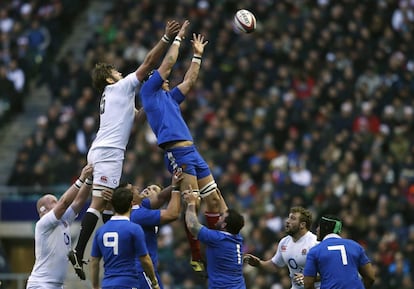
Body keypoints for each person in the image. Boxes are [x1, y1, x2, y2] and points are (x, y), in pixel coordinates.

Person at [68, 20, 181, 280]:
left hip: (103, 150)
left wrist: (155, 98)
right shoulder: (120, 87)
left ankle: (118, 254)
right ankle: (78, 249)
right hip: (109, 153)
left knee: (112, 207)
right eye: (116, 71)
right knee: (99, 203)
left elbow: (135, 119)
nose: (120, 72)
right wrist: (165, 38)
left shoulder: (114, 96)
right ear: (109, 77)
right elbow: (149, 63)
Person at [139, 21, 228, 273]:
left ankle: (217, 244)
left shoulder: (168, 97)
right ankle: (196, 254)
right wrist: (177, 38)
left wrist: (198, 55)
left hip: (192, 151)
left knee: (214, 198)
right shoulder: (149, 92)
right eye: (162, 77)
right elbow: (166, 65)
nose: (166, 77)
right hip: (177, 152)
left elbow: (188, 82)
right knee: (192, 202)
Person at [26, 164, 93, 289]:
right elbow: (64, 203)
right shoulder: (43, 224)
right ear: (43, 210)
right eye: (53, 202)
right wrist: (81, 178)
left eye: (57, 201)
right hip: (41, 284)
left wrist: (90, 180)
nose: (57, 204)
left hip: (57, 285)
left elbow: (78, 202)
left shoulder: (63, 220)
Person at [90, 184, 160, 289]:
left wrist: (95, 286)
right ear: (131, 204)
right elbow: (145, 259)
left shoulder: (101, 231)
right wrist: (154, 282)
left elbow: (94, 262)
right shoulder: (134, 229)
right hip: (128, 282)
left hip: (107, 284)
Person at [182, 185, 246, 288]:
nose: (219, 217)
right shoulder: (236, 237)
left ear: (224, 225)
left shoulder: (217, 239)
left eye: (221, 217)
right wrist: (219, 197)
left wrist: (191, 203)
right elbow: (225, 212)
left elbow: (192, 225)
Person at [243, 206, 320, 289]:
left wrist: (308, 279)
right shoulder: (284, 242)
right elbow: (275, 265)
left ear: (302, 225)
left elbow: (328, 272)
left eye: (292, 219)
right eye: (288, 218)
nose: (287, 221)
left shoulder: (315, 243)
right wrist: (259, 263)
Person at [131, 169, 183, 289]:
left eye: (154, 189)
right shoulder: (139, 212)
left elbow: (161, 197)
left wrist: (175, 183)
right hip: (142, 270)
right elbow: (172, 213)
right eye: (149, 187)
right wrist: (175, 188)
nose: (149, 188)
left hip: (148, 270)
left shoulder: (144, 209)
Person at [303, 215, 375, 289]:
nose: (317, 229)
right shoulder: (355, 246)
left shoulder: (315, 251)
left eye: (319, 226)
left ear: (325, 228)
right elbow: (370, 277)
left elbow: (308, 284)